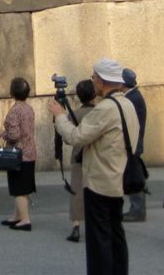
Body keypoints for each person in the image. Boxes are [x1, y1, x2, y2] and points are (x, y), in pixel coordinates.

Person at [49, 58, 140, 275]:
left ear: (102, 80)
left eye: (94, 77)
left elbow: (76, 136)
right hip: (117, 175)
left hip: (101, 180)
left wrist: (60, 116)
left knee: (99, 239)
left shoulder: (106, 108)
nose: (93, 81)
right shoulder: (127, 104)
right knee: (115, 233)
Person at [0, 77, 37, 231]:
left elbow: (14, 135)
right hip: (30, 151)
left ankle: (25, 219)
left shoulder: (15, 110)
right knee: (23, 186)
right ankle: (17, 216)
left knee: (18, 188)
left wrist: (3, 133)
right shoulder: (29, 108)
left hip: (18, 154)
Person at [66, 78, 97, 243]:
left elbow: (67, 137)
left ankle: (76, 225)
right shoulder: (100, 111)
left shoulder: (75, 114)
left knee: (77, 191)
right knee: (96, 191)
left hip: (78, 155)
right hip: (97, 156)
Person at [121, 68, 147, 222]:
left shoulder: (132, 98)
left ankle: (137, 210)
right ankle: (136, 208)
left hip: (133, 144)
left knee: (134, 177)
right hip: (133, 143)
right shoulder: (132, 96)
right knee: (133, 175)